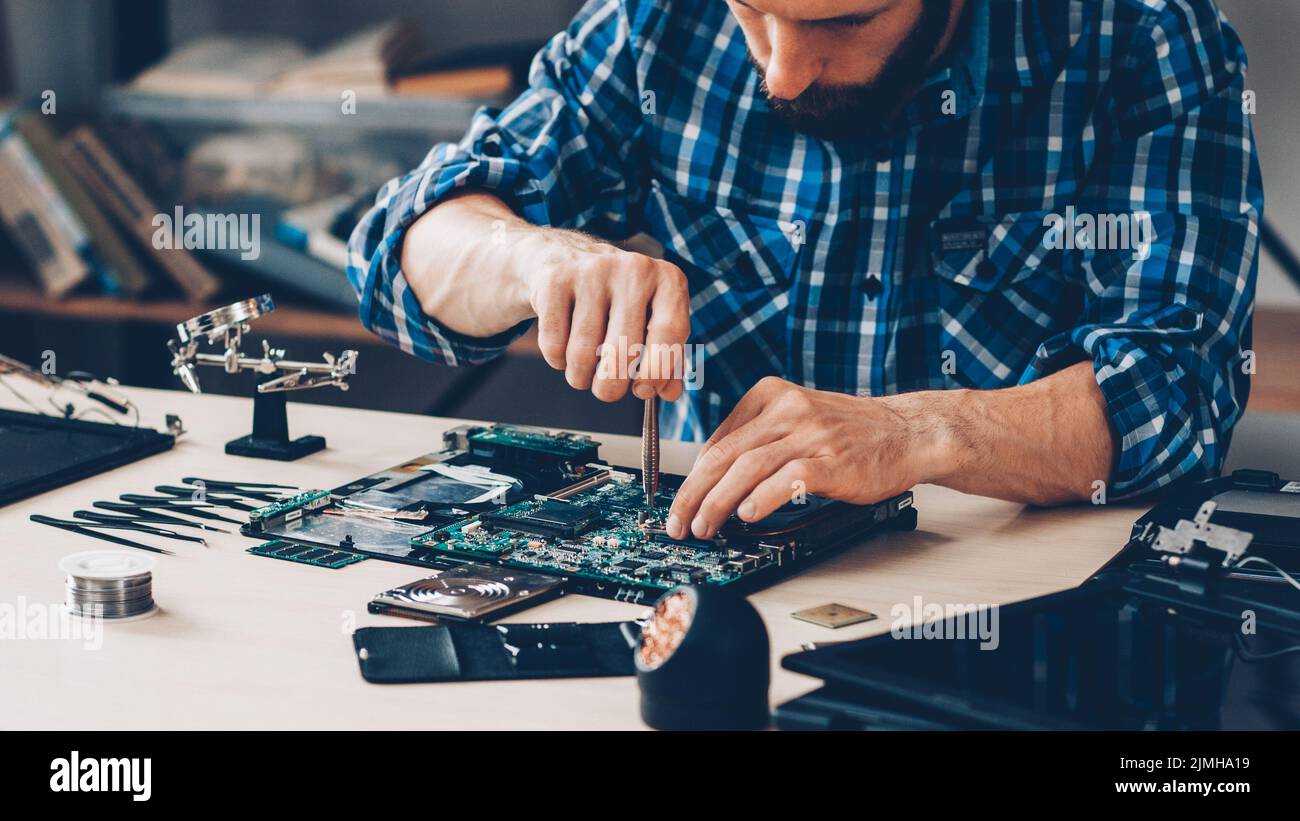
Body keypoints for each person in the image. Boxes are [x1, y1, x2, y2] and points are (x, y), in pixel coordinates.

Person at [347, 0, 1261, 542]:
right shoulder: (656, 21)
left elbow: (1180, 389)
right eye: (752, 12)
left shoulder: (1142, 36)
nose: (782, 73)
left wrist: (920, 431)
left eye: (843, 21)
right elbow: (394, 251)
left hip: (1025, 600)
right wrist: (531, 254)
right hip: (733, 587)